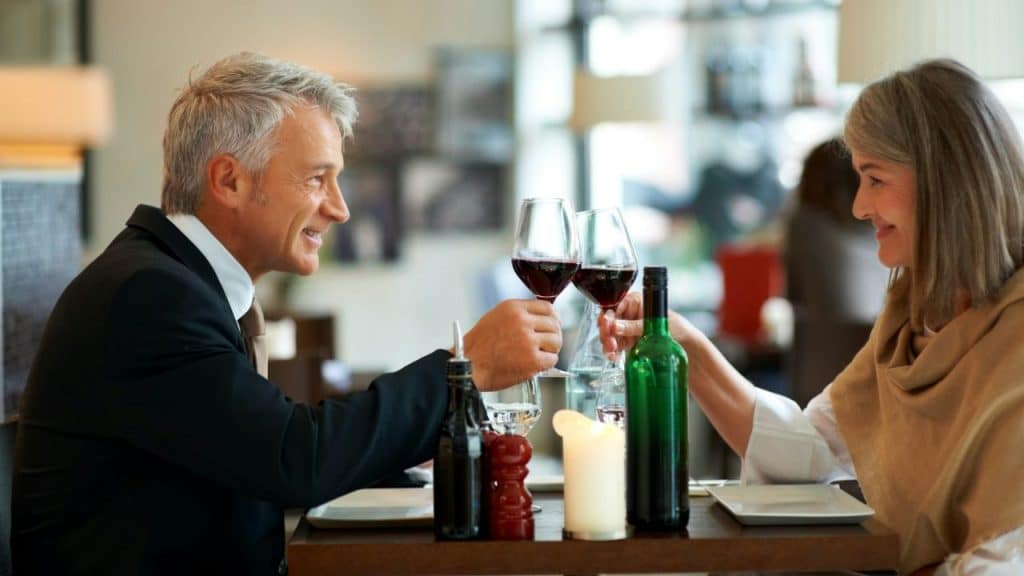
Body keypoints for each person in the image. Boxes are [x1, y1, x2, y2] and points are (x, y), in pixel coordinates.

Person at [12, 52, 563, 575]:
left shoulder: (174, 281)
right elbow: (294, 458)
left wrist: (400, 449)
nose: (340, 207)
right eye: (317, 178)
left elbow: (256, 447)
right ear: (229, 180)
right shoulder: (149, 296)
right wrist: (466, 368)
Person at [602, 59, 1024, 575]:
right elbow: (810, 450)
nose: (859, 207)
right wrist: (683, 343)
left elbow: (1004, 560)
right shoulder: (912, 317)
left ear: (944, 182)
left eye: (874, 179)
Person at [784, 138, 889, 407]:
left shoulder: (803, 226)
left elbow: (791, 296)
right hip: (879, 382)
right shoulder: (882, 234)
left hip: (817, 381)